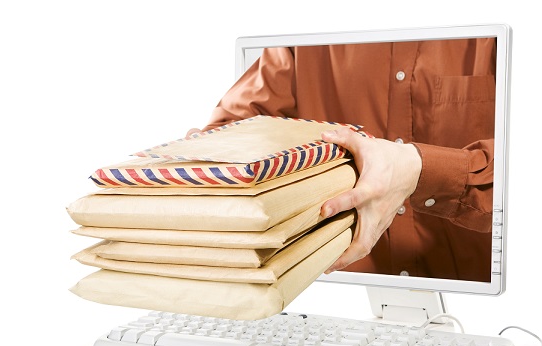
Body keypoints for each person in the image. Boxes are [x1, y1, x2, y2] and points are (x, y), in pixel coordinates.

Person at [186, 39, 496, 282]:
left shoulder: (502, 23)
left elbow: (534, 169)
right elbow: (232, 140)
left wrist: (419, 168)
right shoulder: (303, 35)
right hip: (338, 299)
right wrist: (209, 162)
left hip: (480, 303)